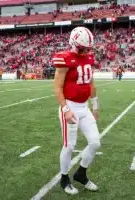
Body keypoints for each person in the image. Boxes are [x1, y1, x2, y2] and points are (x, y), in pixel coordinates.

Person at [53, 26, 101, 195]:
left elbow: (91, 83)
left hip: (84, 107)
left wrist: (95, 105)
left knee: (95, 142)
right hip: (70, 107)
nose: (86, 51)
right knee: (69, 145)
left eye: (88, 49)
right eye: (83, 48)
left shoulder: (89, 57)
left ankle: (81, 173)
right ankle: (64, 178)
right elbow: (58, 88)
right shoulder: (64, 58)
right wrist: (65, 109)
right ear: (74, 44)